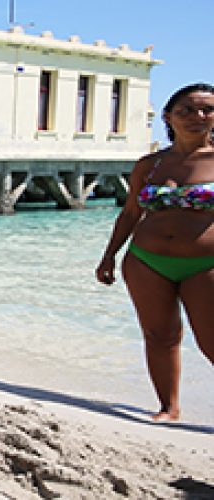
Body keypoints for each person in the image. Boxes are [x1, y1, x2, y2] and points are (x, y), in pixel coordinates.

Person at [95, 83, 214, 422]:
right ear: (168, 117)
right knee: (159, 335)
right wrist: (109, 255)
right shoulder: (150, 165)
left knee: (211, 341)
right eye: (186, 110)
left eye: (207, 110)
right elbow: (131, 213)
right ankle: (169, 407)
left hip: (204, 264)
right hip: (147, 261)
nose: (198, 117)